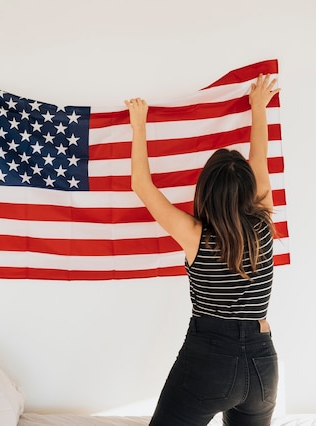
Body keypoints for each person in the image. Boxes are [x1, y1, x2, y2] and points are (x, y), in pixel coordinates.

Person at [125, 74, 281, 426]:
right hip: (262, 364)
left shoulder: (194, 233)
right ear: (248, 190)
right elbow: (260, 159)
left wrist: (139, 124)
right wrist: (259, 107)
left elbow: (141, 185)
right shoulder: (264, 223)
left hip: (210, 357)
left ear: (205, 190)